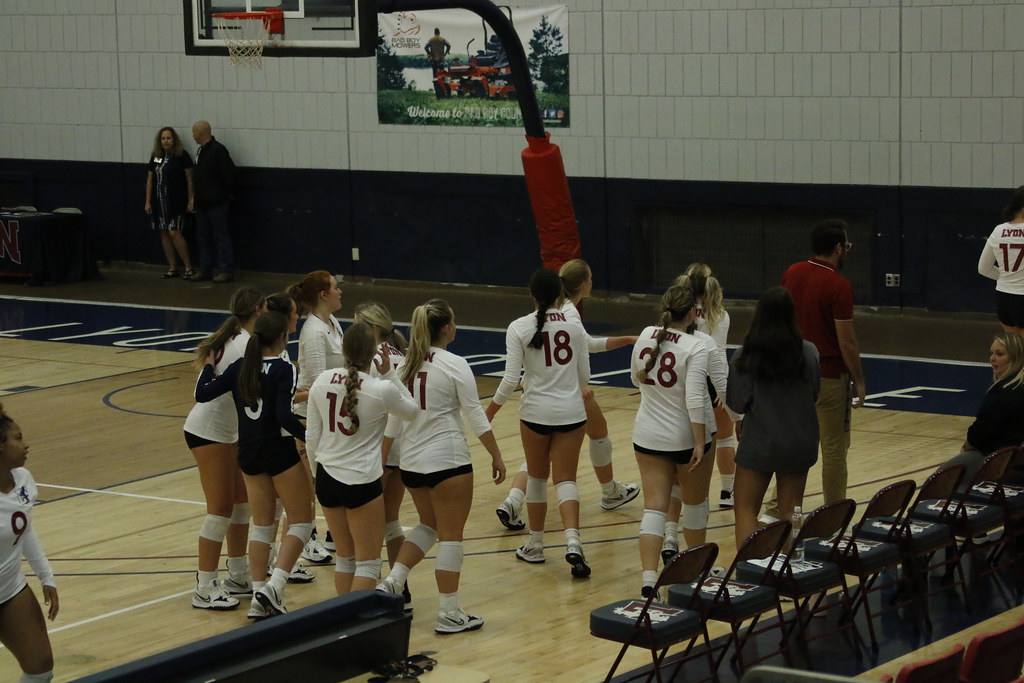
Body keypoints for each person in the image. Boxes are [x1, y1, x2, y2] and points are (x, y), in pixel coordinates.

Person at [378, 299, 506, 633]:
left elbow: (394, 419)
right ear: (446, 327)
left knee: (428, 525)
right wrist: (496, 454)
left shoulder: (405, 364)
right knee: (451, 537)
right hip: (448, 461)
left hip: (411, 464)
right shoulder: (453, 363)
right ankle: (449, 612)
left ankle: (393, 580)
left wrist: (383, 459)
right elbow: (474, 413)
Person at [495, 259, 638, 532]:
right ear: (583, 284)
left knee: (547, 452)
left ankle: (514, 501)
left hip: (546, 392)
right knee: (571, 448)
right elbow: (587, 347)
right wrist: (627, 341)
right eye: (591, 278)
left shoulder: (560, 310)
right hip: (567, 390)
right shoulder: (567, 312)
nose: (593, 282)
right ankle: (608, 492)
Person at [194, 311, 313, 619]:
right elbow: (284, 417)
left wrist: (207, 366)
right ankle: (274, 584)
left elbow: (202, 393)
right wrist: (312, 437)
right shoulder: (284, 366)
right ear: (284, 339)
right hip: (276, 449)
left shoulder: (239, 366)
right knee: (301, 522)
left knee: (261, 525)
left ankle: (260, 590)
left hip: (247, 452)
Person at [486, 269, 591, 578]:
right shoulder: (574, 328)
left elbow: (509, 380)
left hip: (535, 414)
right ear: (561, 295)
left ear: (531, 295)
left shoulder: (518, 327)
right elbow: (584, 377)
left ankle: (536, 544)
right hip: (572, 412)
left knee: (536, 478)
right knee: (566, 479)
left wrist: (490, 411)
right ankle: (573, 542)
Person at [306, 323, 420, 596]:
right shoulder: (381, 389)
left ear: (344, 350)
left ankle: (342, 626)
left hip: (326, 477)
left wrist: (315, 474)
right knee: (368, 564)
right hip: (361, 481)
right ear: (374, 353)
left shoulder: (322, 381)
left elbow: (312, 437)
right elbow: (412, 411)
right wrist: (391, 374)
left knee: (345, 558)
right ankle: (355, 625)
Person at [762, 218, 865, 521]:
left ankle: (773, 509)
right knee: (834, 448)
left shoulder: (792, 272)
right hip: (830, 376)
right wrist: (858, 379)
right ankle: (833, 516)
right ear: (838, 247)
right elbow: (846, 342)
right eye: (846, 246)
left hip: (792, 374)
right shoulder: (839, 285)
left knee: (793, 442)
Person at [183, 287, 265, 611]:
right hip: (209, 433)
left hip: (225, 432)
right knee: (219, 509)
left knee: (242, 503)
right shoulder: (245, 345)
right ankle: (204, 586)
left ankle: (239, 573)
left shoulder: (230, 340)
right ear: (259, 310)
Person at [630, 285, 712, 598]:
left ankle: (649, 580)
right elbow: (694, 398)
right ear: (693, 312)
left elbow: (635, 378)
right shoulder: (696, 346)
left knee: (653, 508)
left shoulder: (645, 334)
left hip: (647, 434)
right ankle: (695, 573)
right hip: (682, 437)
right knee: (694, 505)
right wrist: (701, 442)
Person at [727, 287, 821, 547]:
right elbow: (815, 393)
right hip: (800, 442)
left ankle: (751, 574)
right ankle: (790, 573)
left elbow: (737, 402)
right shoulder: (810, 352)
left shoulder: (745, 356)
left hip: (761, 443)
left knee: (746, 510)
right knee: (791, 512)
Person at [658, 274, 727, 563]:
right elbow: (720, 382)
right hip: (696, 419)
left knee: (672, 484)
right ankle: (696, 560)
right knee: (696, 496)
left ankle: (670, 536)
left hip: (660, 423)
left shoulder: (652, 336)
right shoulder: (708, 336)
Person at [353, 302, 412, 603]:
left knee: (372, 523)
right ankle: (398, 583)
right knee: (391, 520)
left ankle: (372, 582)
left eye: (357, 323)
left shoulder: (375, 358)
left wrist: (382, 452)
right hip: (403, 448)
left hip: (383, 448)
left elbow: (388, 409)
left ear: (372, 328)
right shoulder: (400, 353)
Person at [288, 270, 345, 566]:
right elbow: (320, 384)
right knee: (309, 482)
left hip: (328, 413)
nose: (340, 292)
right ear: (323, 295)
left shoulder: (332, 324)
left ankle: (332, 532)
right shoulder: (312, 331)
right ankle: (307, 539)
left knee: (325, 476)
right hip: (308, 416)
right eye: (336, 288)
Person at [0, 403, 59, 683]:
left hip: (10, 588)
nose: (26, 445)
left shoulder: (23, 480)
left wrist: (46, 575)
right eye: (18, 438)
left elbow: (24, 530)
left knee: (41, 666)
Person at [679, 263, 736, 508]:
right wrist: (723, 390)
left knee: (685, 440)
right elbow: (718, 355)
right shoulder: (720, 314)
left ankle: (683, 493)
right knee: (724, 439)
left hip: (684, 381)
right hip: (713, 382)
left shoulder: (678, 312)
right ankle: (727, 491)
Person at [942, 333, 1024, 484]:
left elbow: (978, 436)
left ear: (1016, 357)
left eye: (999, 354)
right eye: (991, 353)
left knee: (942, 480)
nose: (993, 358)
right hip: (1015, 459)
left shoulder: (1004, 390)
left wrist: (968, 446)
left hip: (1005, 463)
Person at [145, 127, 195, 280]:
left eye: (168, 138)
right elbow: (150, 179)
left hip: (176, 201)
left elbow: (189, 179)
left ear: (174, 140)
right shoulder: (156, 156)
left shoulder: (182, 156)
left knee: (175, 232)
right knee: (164, 232)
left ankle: (188, 267)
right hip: (159, 202)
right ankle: (172, 267)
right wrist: (147, 201)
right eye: (163, 138)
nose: (165, 141)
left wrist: (191, 199)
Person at [190, 120, 236, 283]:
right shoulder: (201, 151)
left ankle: (226, 270)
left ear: (200, 133)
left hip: (216, 204)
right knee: (203, 237)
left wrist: (221, 196)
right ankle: (205, 269)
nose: (193, 136)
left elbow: (229, 176)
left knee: (220, 238)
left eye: (194, 133)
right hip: (202, 204)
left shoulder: (218, 151)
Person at [978, 186, 1024, 336]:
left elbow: (983, 269)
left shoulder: (998, 230)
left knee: (1013, 350)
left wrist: (1008, 278)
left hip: (1004, 298)